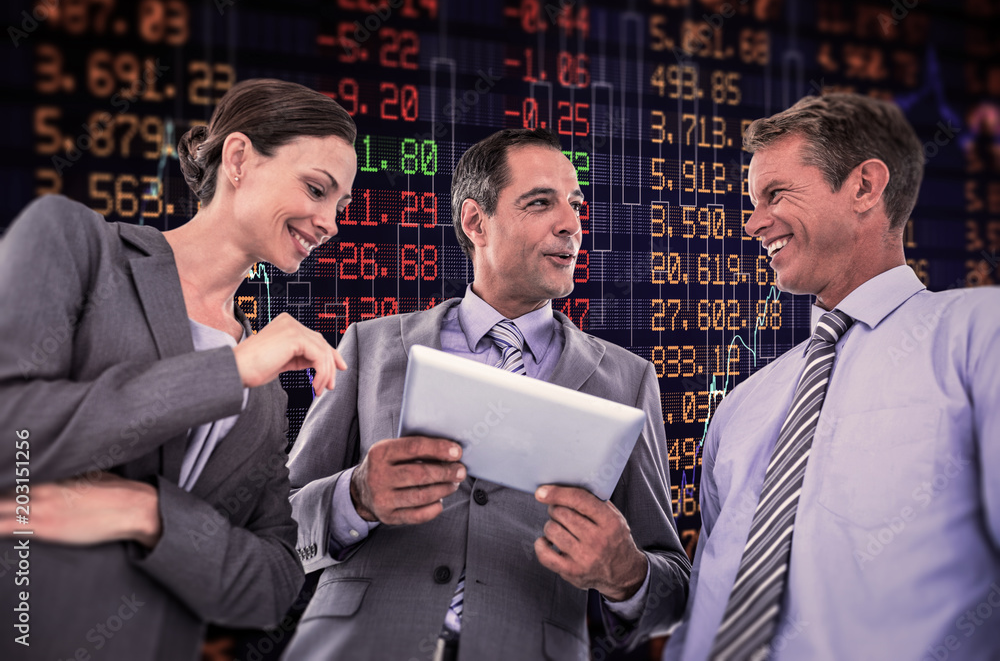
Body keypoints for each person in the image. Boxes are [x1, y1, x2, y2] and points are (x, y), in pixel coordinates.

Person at [283, 128, 691, 661]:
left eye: (574, 204)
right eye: (541, 202)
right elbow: (277, 525)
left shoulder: (628, 380)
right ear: (476, 222)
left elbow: (674, 590)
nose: (571, 223)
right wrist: (354, 497)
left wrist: (629, 574)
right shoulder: (371, 344)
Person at [0, 78, 357, 660]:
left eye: (340, 206)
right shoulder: (79, 247)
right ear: (238, 158)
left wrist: (146, 514)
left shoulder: (264, 392)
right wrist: (226, 373)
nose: (330, 222)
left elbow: (272, 583)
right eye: (317, 189)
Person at [663, 93, 1000, 661]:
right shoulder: (742, 406)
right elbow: (710, 595)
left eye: (776, 194)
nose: (753, 223)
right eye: (753, 201)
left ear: (865, 187)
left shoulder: (978, 334)